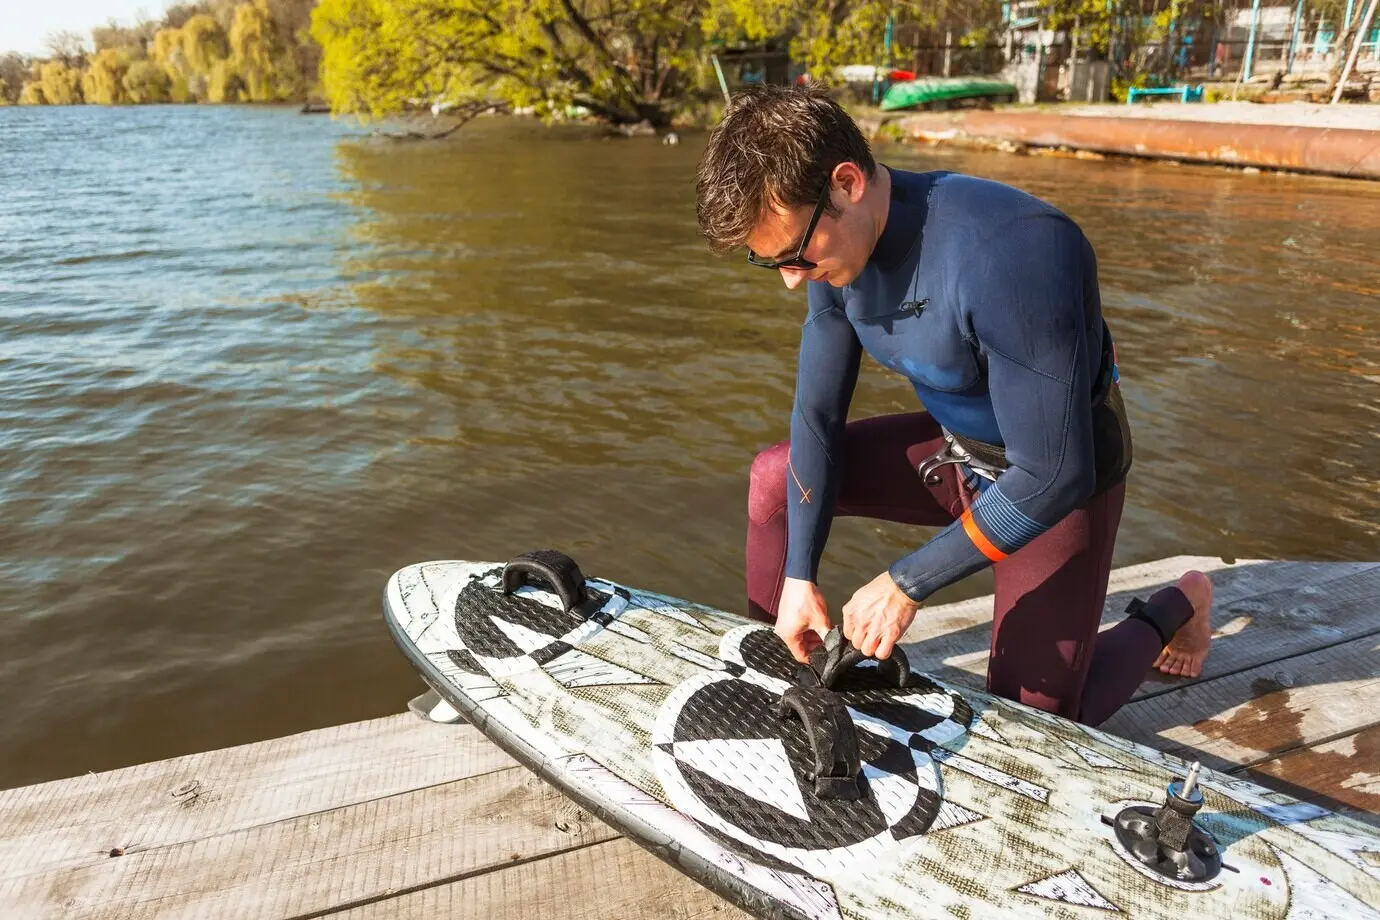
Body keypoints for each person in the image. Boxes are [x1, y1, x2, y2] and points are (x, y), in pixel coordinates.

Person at [693, 84, 1213, 727]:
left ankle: (1177, 605)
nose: (790, 279)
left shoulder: (1014, 250)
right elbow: (817, 417)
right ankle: (785, 687)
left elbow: (1054, 472)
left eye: (795, 256)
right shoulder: (838, 252)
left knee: (1034, 717)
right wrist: (798, 578)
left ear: (847, 183)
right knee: (774, 479)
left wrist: (906, 582)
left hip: (1054, 483)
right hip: (957, 454)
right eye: (768, 261)